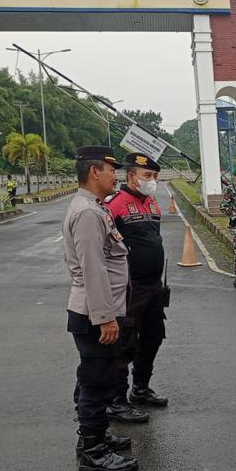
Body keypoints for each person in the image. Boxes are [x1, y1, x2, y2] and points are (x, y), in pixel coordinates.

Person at [63, 146, 138, 471]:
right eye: (111, 170)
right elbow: (93, 268)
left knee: (99, 378)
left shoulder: (94, 207)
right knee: (96, 382)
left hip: (98, 311)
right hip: (95, 315)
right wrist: (105, 318)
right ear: (94, 171)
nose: (115, 176)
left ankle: (96, 437)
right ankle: (93, 452)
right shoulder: (88, 214)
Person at [105, 152, 170, 418]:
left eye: (155, 176)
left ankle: (140, 389)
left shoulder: (152, 204)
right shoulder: (115, 205)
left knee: (153, 337)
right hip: (130, 287)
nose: (152, 181)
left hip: (154, 286)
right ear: (132, 176)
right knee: (125, 342)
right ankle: (117, 399)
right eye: (147, 176)